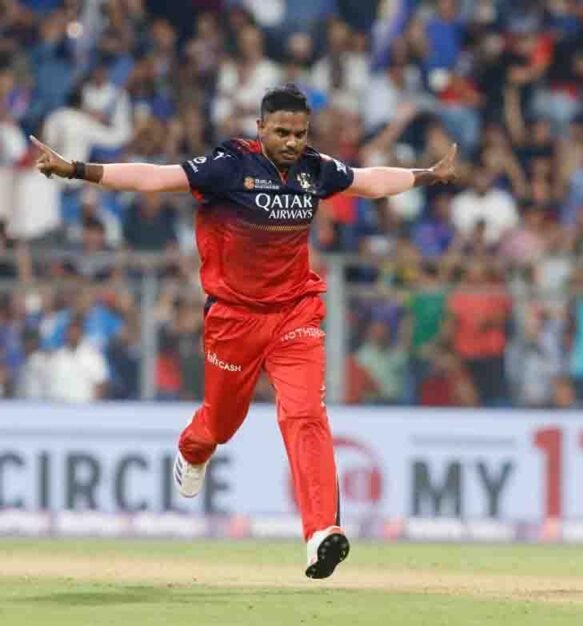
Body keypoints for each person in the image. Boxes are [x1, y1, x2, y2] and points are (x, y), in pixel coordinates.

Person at [31, 84, 457, 579]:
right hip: (234, 319)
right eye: (282, 132)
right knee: (221, 424)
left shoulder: (314, 169)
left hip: (295, 314)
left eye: (300, 133)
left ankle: (321, 532)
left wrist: (427, 175)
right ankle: (192, 450)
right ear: (260, 128)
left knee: (306, 414)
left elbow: (368, 182)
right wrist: (76, 169)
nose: (292, 142)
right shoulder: (230, 165)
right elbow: (156, 177)